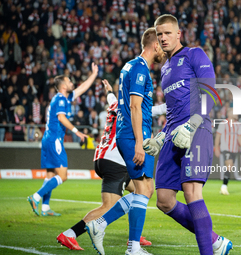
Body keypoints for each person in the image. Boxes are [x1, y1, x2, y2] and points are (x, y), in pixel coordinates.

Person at [145, 14, 233, 255]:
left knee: (192, 191)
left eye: (166, 33)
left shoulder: (195, 55)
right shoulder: (164, 69)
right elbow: (172, 112)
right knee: (163, 199)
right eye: (159, 34)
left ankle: (208, 251)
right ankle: (214, 240)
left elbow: (211, 92)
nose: (162, 38)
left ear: (178, 34)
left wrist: (193, 124)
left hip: (197, 130)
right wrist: (161, 136)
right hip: (174, 135)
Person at [85, 28, 165, 255]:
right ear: (154, 45)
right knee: (143, 189)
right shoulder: (140, 69)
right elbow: (134, 106)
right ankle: (130, 246)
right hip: (133, 135)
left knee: (146, 189)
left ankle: (103, 227)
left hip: (130, 133)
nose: (163, 50)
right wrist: (140, 142)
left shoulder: (130, 66)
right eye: (161, 44)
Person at [56, 79, 159, 250]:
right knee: (109, 207)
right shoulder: (132, 107)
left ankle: (135, 235)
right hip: (115, 160)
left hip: (106, 156)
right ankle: (70, 234)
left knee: (145, 190)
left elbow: (112, 98)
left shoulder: (118, 103)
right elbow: (156, 110)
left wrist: (109, 91)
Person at [27, 63, 98, 216]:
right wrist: (77, 132)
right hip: (54, 140)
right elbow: (61, 117)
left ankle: (45, 208)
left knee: (51, 175)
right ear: (63, 86)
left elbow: (82, 88)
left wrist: (93, 74)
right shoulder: (60, 99)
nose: (72, 83)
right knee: (63, 175)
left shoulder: (64, 97)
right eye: (69, 81)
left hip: (48, 139)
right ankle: (36, 197)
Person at [214, 108, 241, 195]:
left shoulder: (238, 124)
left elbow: (240, 137)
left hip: (235, 149)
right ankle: (224, 187)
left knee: (230, 168)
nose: (236, 113)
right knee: (229, 166)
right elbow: (218, 135)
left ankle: (224, 186)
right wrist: (216, 147)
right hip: (226, 148)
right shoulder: (223, 123)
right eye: (234, 112)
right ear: (229, 113)